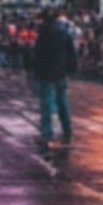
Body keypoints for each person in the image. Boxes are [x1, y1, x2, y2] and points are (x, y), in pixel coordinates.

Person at [32, 9, 77, 148]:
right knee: (62, 102)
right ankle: (67, 130)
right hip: (61, 71)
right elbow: (71, 52)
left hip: (46, 73)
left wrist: (36, 71)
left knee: (46, 104)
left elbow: (37, 54)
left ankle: (47, 134)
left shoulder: (43, 34)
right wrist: (72, 68)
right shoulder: (64, 33)